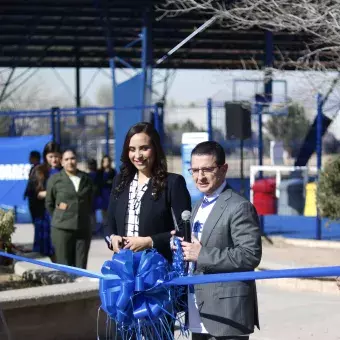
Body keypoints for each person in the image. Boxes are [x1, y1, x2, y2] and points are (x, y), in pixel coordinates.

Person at [179, 141, 262, 340]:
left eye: (207, 169)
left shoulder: (239, 206)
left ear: (223, 169)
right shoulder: (198, 205)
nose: (200, 176)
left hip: (226, 314)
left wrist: (201, 254)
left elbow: (250, 255)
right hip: (199, 309)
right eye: (195, 170)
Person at [105, 122, 191, 263]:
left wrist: (150, 241)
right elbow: (108, 224)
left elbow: (185, 232)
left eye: (144, 148)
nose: (137, 155)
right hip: (123, 266)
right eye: (132, 149)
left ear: (155, 149)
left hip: (157, 268)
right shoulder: (119, 181)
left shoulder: (173, 183)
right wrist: (113, 238)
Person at [46, 149, 93, 268]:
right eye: (66, 159)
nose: (70, 162)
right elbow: (49, 203)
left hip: (83, 228)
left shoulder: (86, 178)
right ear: (61, 162)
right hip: (62, 229)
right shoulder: (55, 179)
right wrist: (61, 216)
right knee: (64, 267)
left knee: (81, 267)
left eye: (72, 158)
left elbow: (91, 200)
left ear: (76, 160)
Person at [31, 142, 62, 257]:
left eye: (56, 156)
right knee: (46, 250)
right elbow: (36, 194)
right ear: (45, 156)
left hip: (62, 214)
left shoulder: (65, 170)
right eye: (51, 156)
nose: (54, 159)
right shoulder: (40, 171)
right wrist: (54, 193)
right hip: (44, 214)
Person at [97, 155, 116, 228]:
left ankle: (111, 227)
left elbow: (114, 182)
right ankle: (105, 227)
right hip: (102, 195)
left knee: (111, 212)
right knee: (104, 212)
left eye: (108, 161)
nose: (106, 163)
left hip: (111, 194)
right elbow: (99, 183)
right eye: (105, 161)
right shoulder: (99, 172)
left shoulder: (113, 172)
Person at [23, 150, 41, 223]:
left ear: (35, 158)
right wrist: (26, 192)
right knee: (34, 219)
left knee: (38, 219)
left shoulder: (40, 169)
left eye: (30, 157)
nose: (29, 159)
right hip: (31, 197)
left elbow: (36, 184)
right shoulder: (32, 168)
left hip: (36, 198)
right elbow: (30, 182)